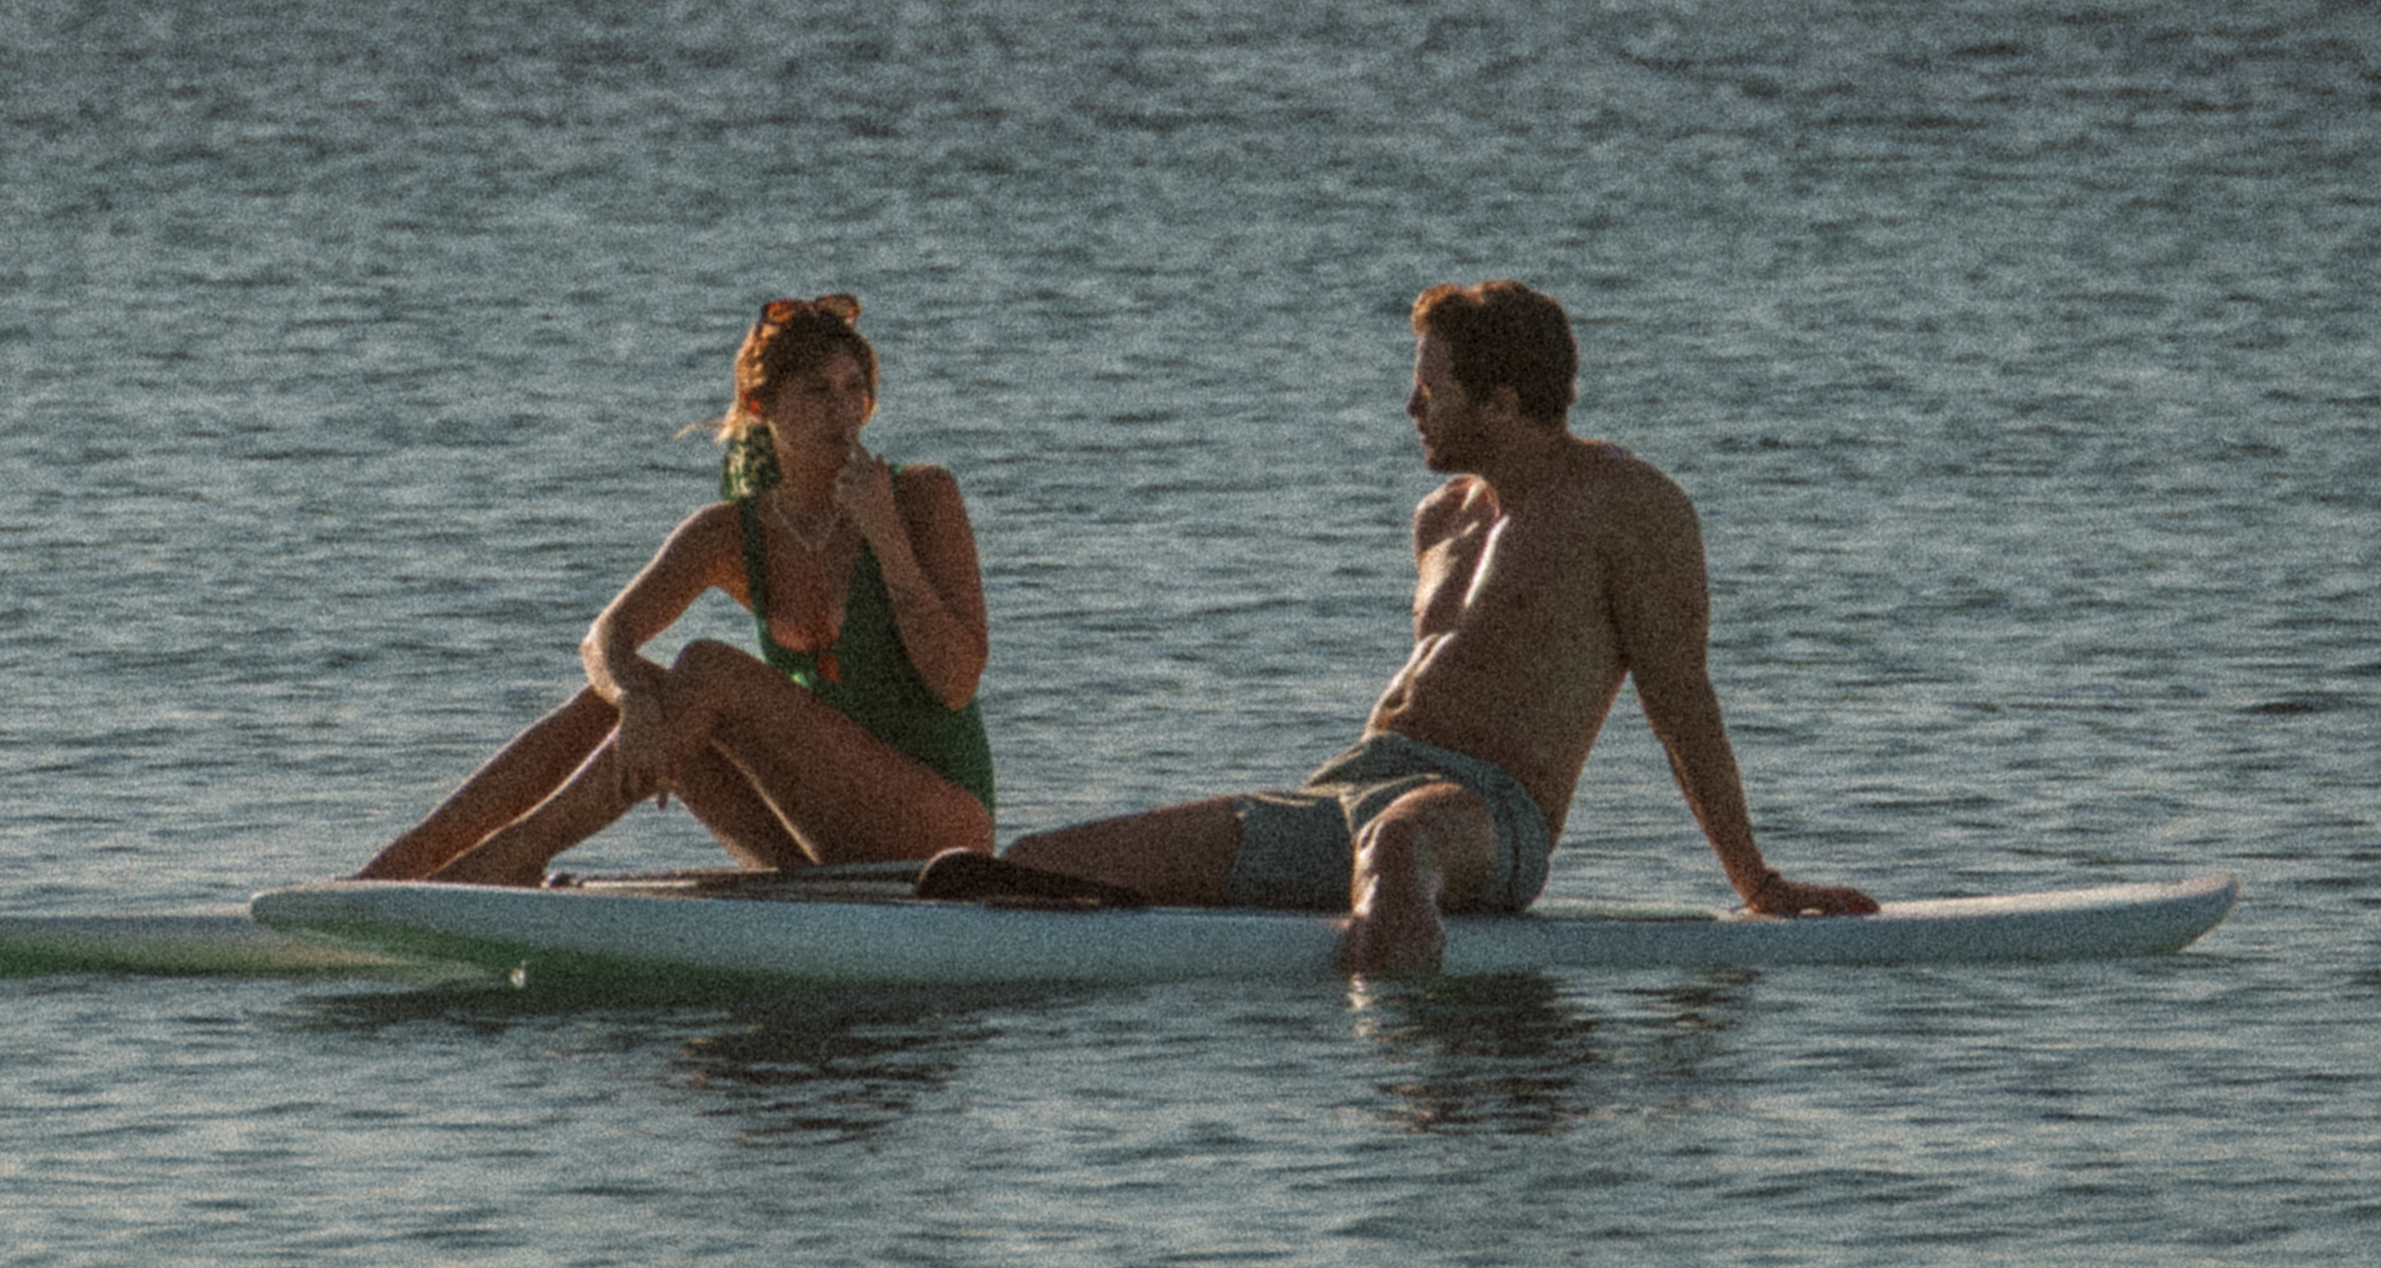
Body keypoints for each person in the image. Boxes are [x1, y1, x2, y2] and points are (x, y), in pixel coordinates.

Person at [937, 279, 1876, 975]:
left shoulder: (1630, 507)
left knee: (1396, 845)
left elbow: (1681, 698)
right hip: (1343, 790)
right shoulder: (1442, 518)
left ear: (1503, 404)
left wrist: (1756, 881)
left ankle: (1379, 1095)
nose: (1409, 408)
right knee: (1034, 866)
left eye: (1431, 390)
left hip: (1485, 814)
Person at [356, 295, 999, 886]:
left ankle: (513, 855)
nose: (843, 411)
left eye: (854, 389)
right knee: (616, 698)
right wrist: (634, 697)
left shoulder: (920, 497)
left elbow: (955, 682)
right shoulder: (729, 533)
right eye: (817, 392)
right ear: (760, 408)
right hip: (821, 844)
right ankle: (394, 872)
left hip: (941, 836)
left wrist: (886, 539)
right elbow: (604, 638)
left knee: (708, 668)